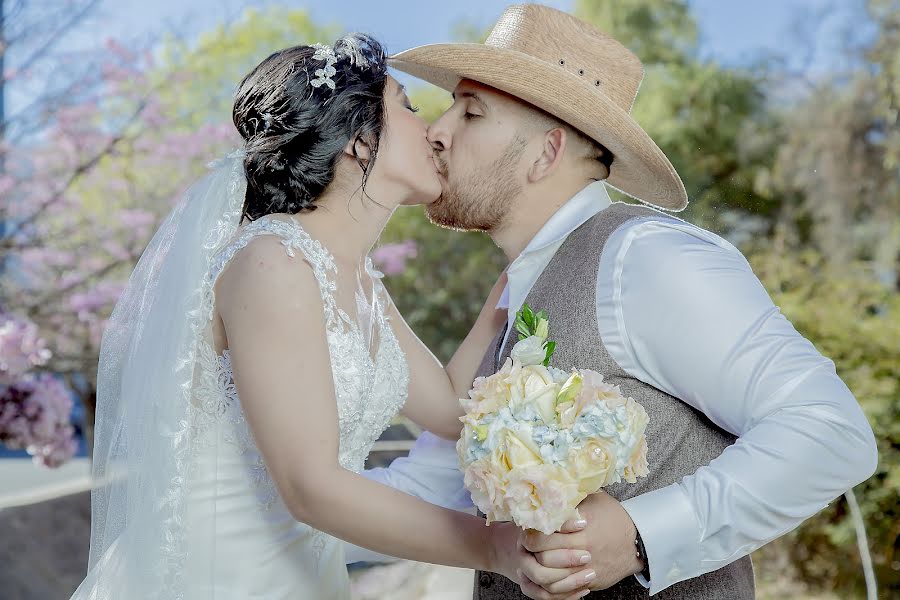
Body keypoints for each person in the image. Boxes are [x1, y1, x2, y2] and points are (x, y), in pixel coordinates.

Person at [352, 4, 879, 599]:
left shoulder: (645, 258)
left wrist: (639, 535)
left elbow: (831, 431)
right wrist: (259, 511)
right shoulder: (507, 307)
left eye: (470, 112)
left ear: (545, 154)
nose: (437, 131)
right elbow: (430, 488)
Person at [70, 34, 596, 600]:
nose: (436, 131)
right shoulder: (272, 263)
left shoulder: (359, 280)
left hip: (306, 579)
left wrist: (516, 276)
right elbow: (309, 486)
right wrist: (493, 547)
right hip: (217, 578)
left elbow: (447, 409)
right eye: (409, 106)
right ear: (361, 142)